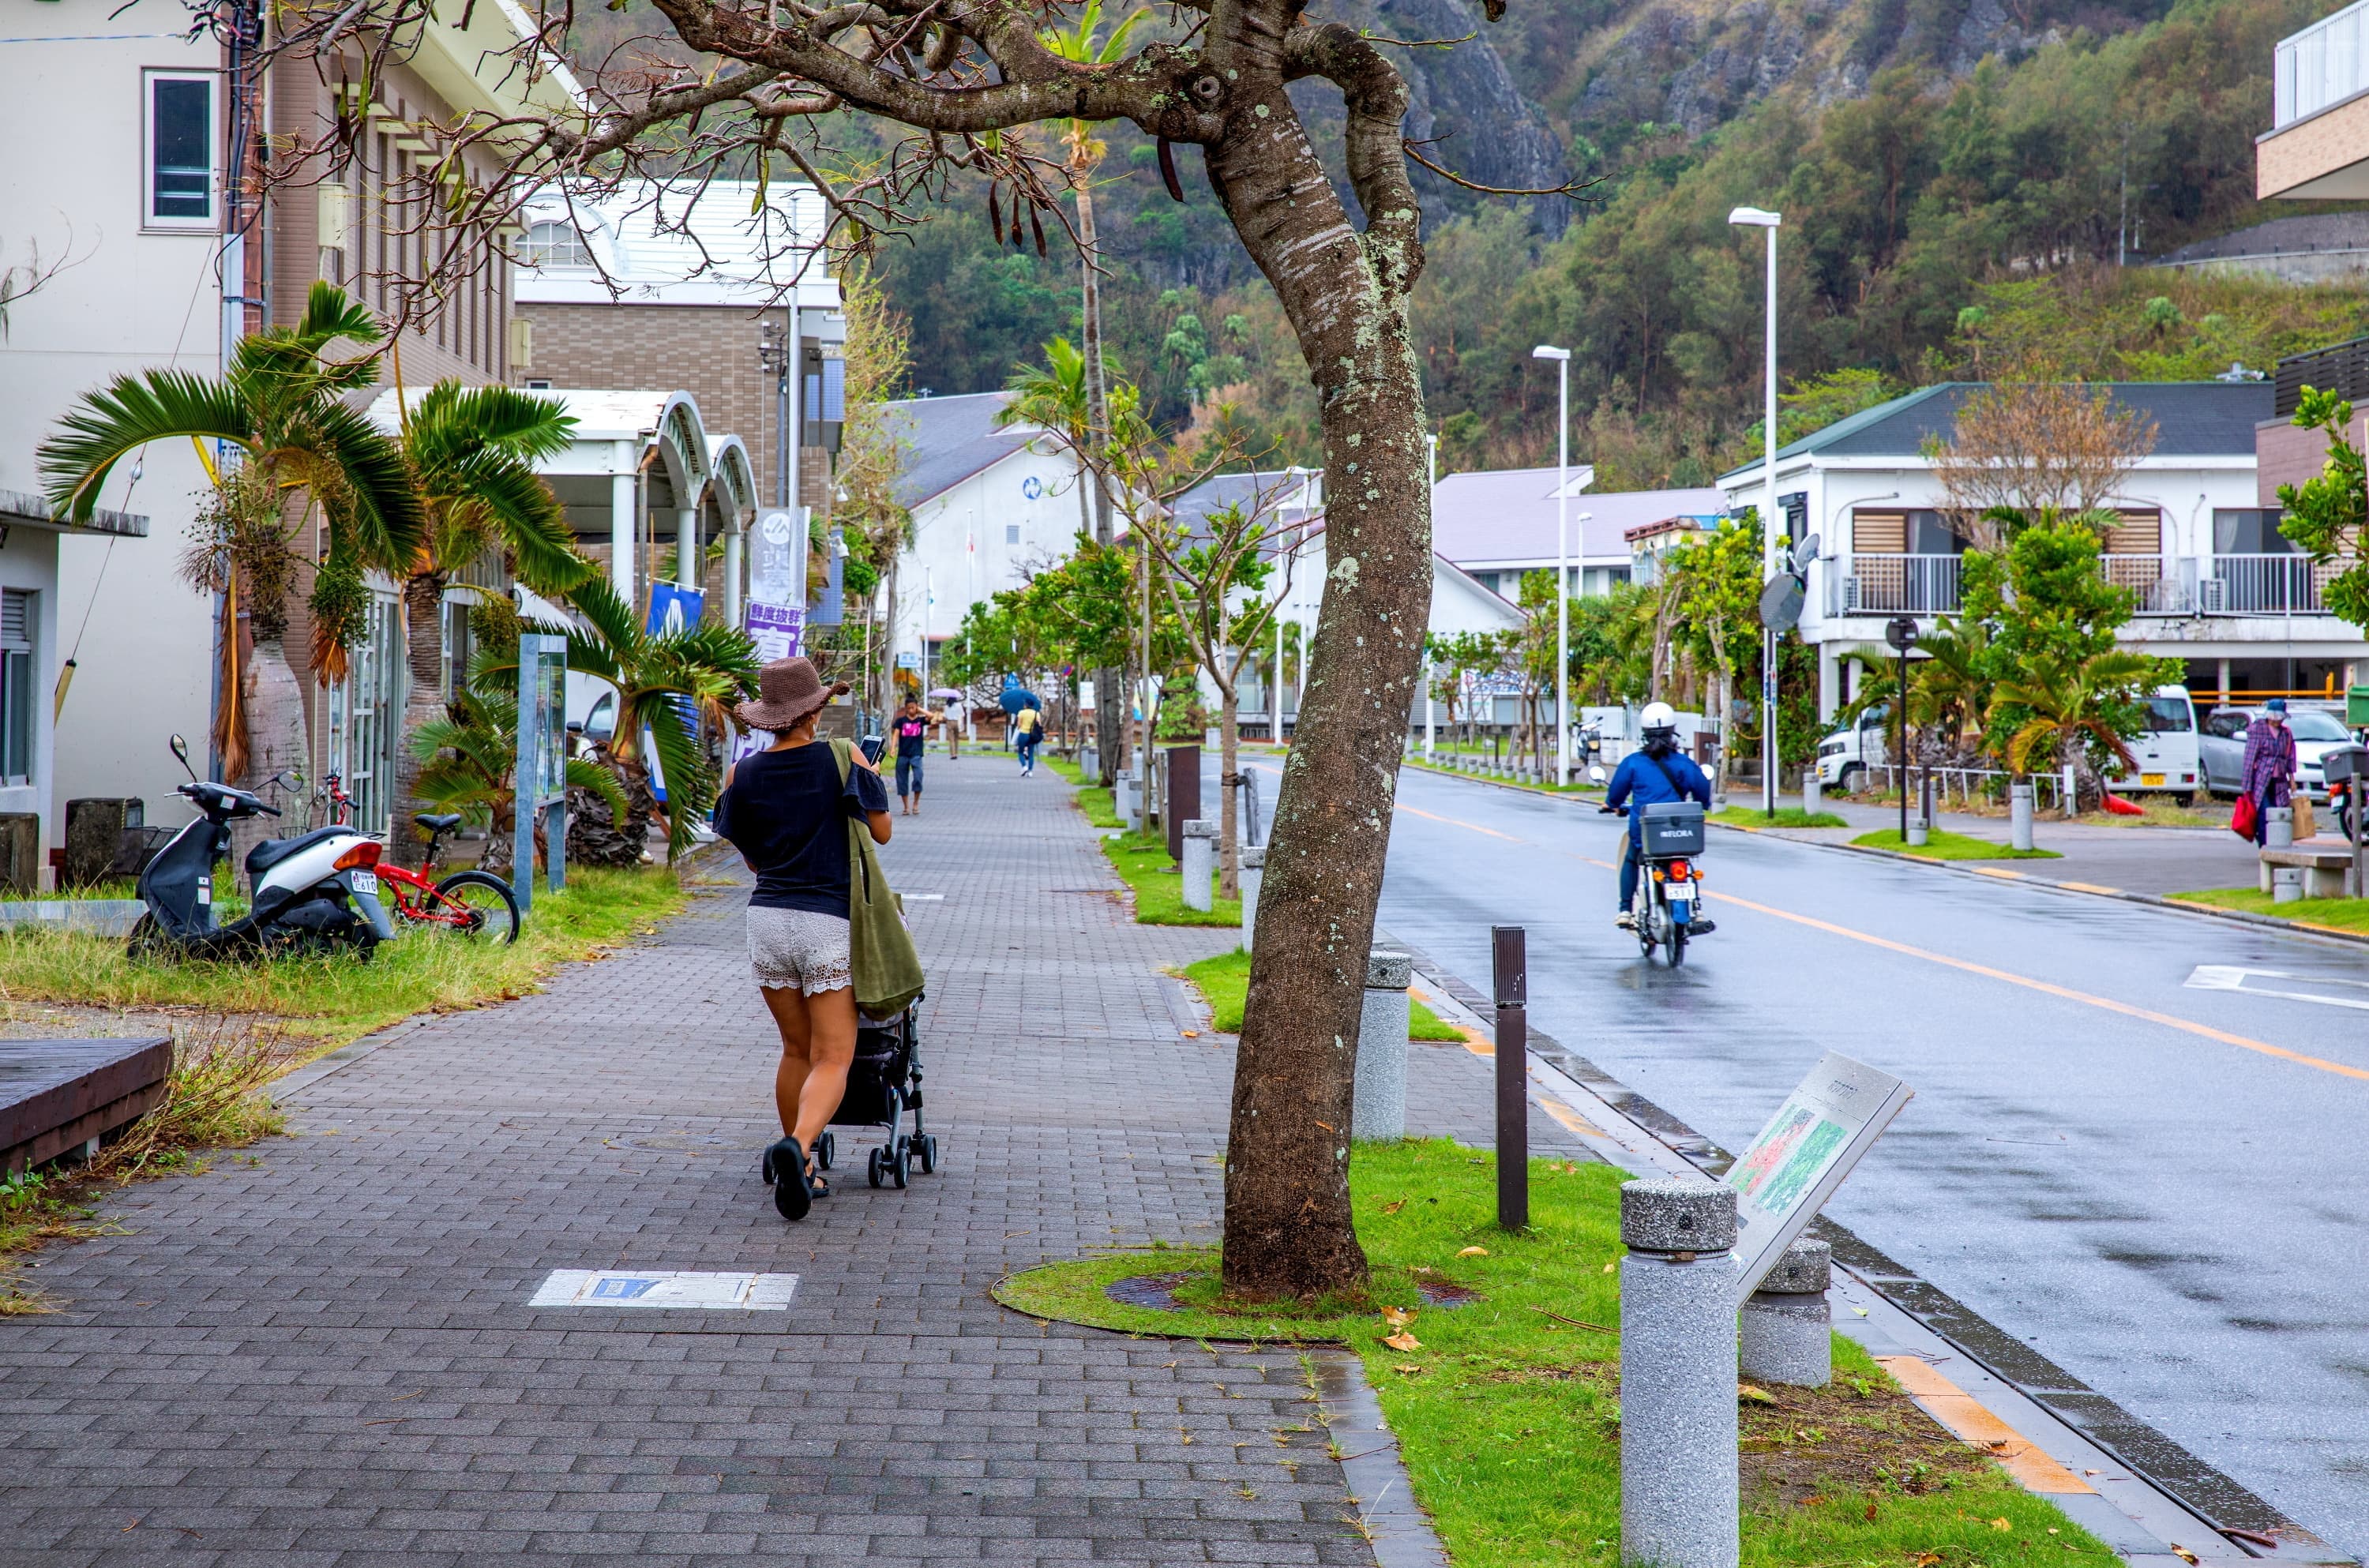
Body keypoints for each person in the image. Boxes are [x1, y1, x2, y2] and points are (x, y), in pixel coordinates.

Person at [711, 657, 894, 1221]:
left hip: (767, 920)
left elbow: (751, 859)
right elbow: (882, 832)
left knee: (794, 1049)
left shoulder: (742, 774)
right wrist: (868, 778)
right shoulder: (844, 756)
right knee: (833, 1056)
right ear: (815, 711)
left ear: (768, 718)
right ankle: (799, 1144)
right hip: (828, 921)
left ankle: (805, 1166)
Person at [1602, 701, 1716, 934]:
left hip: (1646, 833)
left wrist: (1611, 805)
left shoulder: (1633, 763)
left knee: (1631, 859)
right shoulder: (1684, 763)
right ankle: (1696, 909)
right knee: (1684, 863)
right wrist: (1704, 804)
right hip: (1681, 832)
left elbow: (1615, 795)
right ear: (1673, 731)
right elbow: (1703, 792)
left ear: (1644, 733)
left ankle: (1625, 910)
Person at [2239, 697, 2298, 846]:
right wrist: (2246, 787)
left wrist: (2292, 780)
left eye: (2279, 718)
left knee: (2279, 813)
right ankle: (2264, 846)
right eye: (2274, 717)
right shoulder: (2258, 730)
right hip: (2261, 781)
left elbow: (2290, 757)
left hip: (2280, 782)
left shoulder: (2286, 733)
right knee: (2264, 812)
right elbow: (2249, 759)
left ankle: (2276, 845)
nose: (2276, 721)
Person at [890, 698, 941, 816]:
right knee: (902, 780)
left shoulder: (920, 720)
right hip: (903, 754)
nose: (911, 710)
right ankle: (906, 807)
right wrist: (893, 748)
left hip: (916, 754)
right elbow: (896, 735)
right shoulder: (901, 721)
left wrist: (919, 709)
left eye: (913, 707)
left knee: (918, 777)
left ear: (916, 707)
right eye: (908, 708)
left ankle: (916, 804)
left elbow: (931, 716)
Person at [1012, 703, 1044, 776]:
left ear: (1026, 705)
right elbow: (1039, 724)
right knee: (1031, 754)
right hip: (1032, 735)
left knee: (1020, 752)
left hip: (1023, 733)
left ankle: (1024, 767)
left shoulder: (1021, 712)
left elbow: (1019, 725)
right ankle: (1030, 771)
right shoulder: (1036, 713)